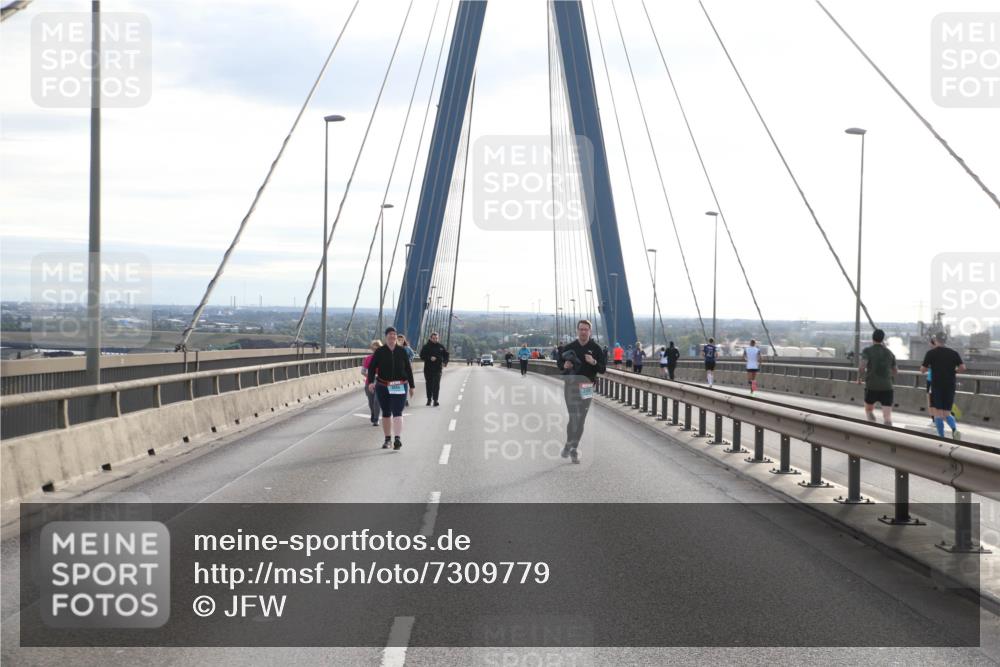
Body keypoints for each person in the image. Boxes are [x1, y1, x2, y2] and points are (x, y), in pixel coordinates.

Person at [560, 319, 606, 464]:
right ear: (577, 331)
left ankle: (573, 448)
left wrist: (593, 362)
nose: (583, 332)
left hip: (586, 387)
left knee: (581, 419)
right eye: (581, 329)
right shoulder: (570, 347)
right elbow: (559, 363)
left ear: (590, 331)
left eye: (586, 329)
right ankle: (569, 443)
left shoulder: (596, 348)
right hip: (571, 386)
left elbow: (603, 369)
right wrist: (565, 365)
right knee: (573, 417)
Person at [366, 327, 416, 450]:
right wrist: (371, 382)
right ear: (386, 337)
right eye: (390, 334)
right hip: (383, 385)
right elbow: (372, 368)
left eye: (394, 334)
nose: (392, 336)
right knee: (386, 413)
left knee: (398, 412)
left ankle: (397, 439)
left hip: (399, 385)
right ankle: (387, 439)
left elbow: (408, 369)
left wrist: (412, 386)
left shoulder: (402, 351)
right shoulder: (380, 351)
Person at [920, 334, 966, 440]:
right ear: (946, 340)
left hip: (936, 385)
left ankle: (941, 437)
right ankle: (954, 430)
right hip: (950, 385)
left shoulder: (931, 353)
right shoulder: (954, 353)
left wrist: (930, 367)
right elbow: (963, 367)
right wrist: (954, 371)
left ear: (936, 340)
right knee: (947, 413)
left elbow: (922, 369)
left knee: (938, 414)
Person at [857, 329, 896, 426]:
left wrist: (859, 378)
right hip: (887, 387)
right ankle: (888, 432)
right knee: (887, 416)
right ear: (883, 339)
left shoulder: (867, 351)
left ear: (872, 338)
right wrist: (890, 379)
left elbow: (862, 367)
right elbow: (895, 370)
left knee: (869, 410)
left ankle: (873, 427)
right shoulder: (889, 353)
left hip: (872, 386)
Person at [419, 331, 449, 406]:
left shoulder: (441, 346)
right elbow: (421, 356)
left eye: (436, 338)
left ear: (438, 338)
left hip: (438, 369)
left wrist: (445, 362)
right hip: (428, 369)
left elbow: (446, 355)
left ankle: (435, 400)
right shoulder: (426, 346)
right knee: (429, 384)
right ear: (430, 338)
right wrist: (429, 358)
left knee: (436, 384)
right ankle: (429, 399)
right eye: (433, 338)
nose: (435, 339)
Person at [361, 339, 382, 426]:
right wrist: (370, 378)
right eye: (374, 347)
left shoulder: (384, 359)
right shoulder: (368, 359)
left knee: (377, 401)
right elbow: (363, 371)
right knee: (371, 401)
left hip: (381, 383)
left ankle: (376, 419)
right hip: (369, 383)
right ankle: (373, 413)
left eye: (377, 346)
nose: (375, 348)